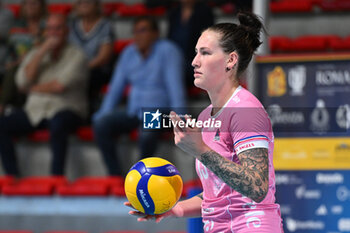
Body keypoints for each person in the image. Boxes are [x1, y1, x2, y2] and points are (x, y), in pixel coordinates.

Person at [126, 12, 284, 232]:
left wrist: (200, 150)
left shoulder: (246, 110)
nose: (194, 61)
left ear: (230, 60)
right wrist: (174, 209)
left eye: (205, 53)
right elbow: (217, 193)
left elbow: (257, 187)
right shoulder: (205, 116)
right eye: (195, 53)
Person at [93, 16, 186, 176]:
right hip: (134, 112)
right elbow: (115, 89)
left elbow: (175, 88)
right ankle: (115, 176)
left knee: (147, 130)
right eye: (135, 31)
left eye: (143, 30)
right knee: (101, 123)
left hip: (162, 113)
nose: (138, 35)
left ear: (155, 33)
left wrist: (181, 119)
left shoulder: (168, 51)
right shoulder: (128, 53)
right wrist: (103, 114)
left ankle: (141, 176)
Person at [0, 14, 88, 177]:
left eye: (58, 28)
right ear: (45, 32)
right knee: (2, 124)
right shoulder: (36, 53)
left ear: (66, 31)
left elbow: (59, 86)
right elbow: (21, 82)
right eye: (50, 29)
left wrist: (31, 88)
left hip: (67, 109)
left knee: (58, 124)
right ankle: (14, 177)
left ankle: (56, 177)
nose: (53, 33)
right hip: (36, 111)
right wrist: (42, 51)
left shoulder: (77, 55)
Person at [0, 0, 47, 114]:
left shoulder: (48, 25)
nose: (30, 7)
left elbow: (47, 47)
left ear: (42, 7)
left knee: (14, 71)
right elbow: (9, 48)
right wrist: (11, 61)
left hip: (39, 63)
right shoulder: (15, 25)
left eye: (34, 4)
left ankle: (2, 106)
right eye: (27, 4)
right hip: (14, 63)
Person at [69, 0, 115, 116]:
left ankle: (88, 114)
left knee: (88, 77)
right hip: (74, 68)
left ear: (97, 5)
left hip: (97, 69)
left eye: (88, 2)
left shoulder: (105, 25)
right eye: (80, 2)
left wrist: (82, 68)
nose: (84, 4)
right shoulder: (71, 26)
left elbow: (104, 57)